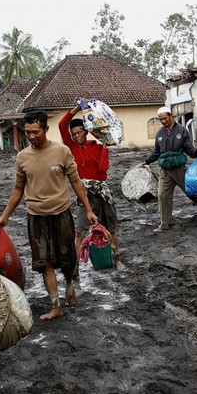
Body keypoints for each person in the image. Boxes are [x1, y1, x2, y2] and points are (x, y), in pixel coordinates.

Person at [0, 110, 98, 320]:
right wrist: (4, 216)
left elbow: (76, 182)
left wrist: (88, 209)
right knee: (44, 263)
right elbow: (18, 189)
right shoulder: (22, 157)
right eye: (27, 132)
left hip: (61, 214)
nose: (31, 136)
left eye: (36, 132)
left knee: (67, 259)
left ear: (46, 129)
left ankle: (69, 284)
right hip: (36, 217)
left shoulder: (62, 151)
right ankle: (55, 305)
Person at [59, 100, 125, 271]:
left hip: (102, 192)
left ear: (86, 132)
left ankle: (117, 257)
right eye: (73, 134)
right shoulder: (70, 148)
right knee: (80, 230)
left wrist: (105, 148)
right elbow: (62, 124)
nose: (76, 136)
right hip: (84, 194)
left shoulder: (97, 147)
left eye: (79, 132)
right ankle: (75, 267)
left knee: (111, 228)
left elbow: (103, 169)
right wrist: (78, 107)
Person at [142, 106, 197, 233]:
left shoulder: (182, 130)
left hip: (179, 169)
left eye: (165, 118)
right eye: (160, 119)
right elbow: (156, 152)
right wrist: (147, 161)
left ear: (171, 116)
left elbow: (188, 148)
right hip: (164, 170)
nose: (163, 121)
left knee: (189, 190)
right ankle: (164, 224)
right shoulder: (159, 134)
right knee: (162, 196)